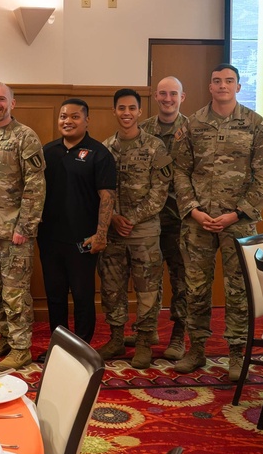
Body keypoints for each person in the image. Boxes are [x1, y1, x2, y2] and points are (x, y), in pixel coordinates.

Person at [173, 64, 263, 379]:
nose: (222, 86)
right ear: (209, 86)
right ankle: (196, 349)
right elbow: (180, 171)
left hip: (238, 223)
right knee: (195, 288)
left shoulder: (257, 126)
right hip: (198, 222)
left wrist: (235, 213)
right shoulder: (192, 125)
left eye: (229, 81)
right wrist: (192, 209)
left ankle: (236, 354)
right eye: (217, 81)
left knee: (238, 290)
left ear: (238, 87)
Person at [0, 83, 45, 370]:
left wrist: (24, 227)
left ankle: (21, 347)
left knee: (15, 293)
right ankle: (4, 336)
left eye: (1, 98)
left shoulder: (25, 137)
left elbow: (35, 186)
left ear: (12, 103)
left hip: (15, 232)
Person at [96, 89, 172, 368]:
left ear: (140, 112)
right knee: (112, 288)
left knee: (147, 289)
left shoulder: (155, 147)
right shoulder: (105, 148)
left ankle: (143, 343)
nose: (126, 113)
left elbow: (160, 192)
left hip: (145, 232)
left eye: (131, 108)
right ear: (114, 111)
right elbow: (100, 191)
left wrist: (132, 218)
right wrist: (114, 217)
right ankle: (116, 338)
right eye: (121, 108)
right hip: (113, 233)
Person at [37, 98, 116, 352]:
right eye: (62, 116)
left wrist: (100, 235)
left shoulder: (99, 153)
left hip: (83, 240)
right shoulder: (47, 151)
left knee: (82, 296)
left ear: (86, 120)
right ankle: (58, 345)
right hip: (50, 238)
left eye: (74, 117)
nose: (67, 121)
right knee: (55, 296)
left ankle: (82, 347)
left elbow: (107, 196)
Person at [136, 76, 189, 359]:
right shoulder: (143, 130)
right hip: (150, 220)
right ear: (155, 97)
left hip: (181, 220)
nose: (168, 99)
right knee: (149, 278)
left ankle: (179, 335)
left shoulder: (193, 130)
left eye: (173, 94)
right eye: (163, 94)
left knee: (181, 280)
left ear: (183, 97)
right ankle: (149, 329)